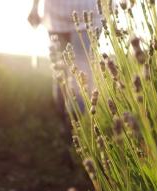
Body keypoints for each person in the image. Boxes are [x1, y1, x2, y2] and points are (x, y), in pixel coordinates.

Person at [27, 0, 103, 143]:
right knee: (64, 70)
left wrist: (35, 7)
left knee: (76, 71)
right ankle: (70, 128)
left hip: (83, 12)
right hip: (61, 13)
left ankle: (73, 128)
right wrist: (34, 6)